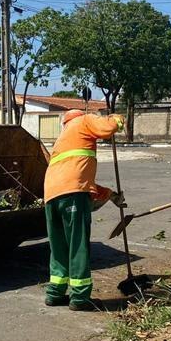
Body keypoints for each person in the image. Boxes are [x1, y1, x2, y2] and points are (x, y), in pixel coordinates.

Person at [43, 109, 125, 310]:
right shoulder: (84, 121)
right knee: (78, 245)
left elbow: (78, 181)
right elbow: (108, 128)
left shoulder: (63, 139)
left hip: (51, 196)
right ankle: (80, 298)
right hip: (73, 195)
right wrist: (117, 119)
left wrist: (111, 195)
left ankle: (55, 292)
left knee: (59, 246)